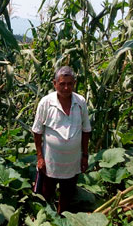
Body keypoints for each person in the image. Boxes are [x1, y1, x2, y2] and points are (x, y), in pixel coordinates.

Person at [32, 66, 92, 214]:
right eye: (62, 83)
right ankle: (43, 221)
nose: (66, 87)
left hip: (72, 161)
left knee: (67, 192)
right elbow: (37, 131)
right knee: (46, 193)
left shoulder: (80, 102)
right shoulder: (46, 103)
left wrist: (85, 156)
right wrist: (40, 157)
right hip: (51, 160)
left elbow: (86, 130)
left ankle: (60, 219)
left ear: (74, 83)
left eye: (70, 84)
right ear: (54, 83)